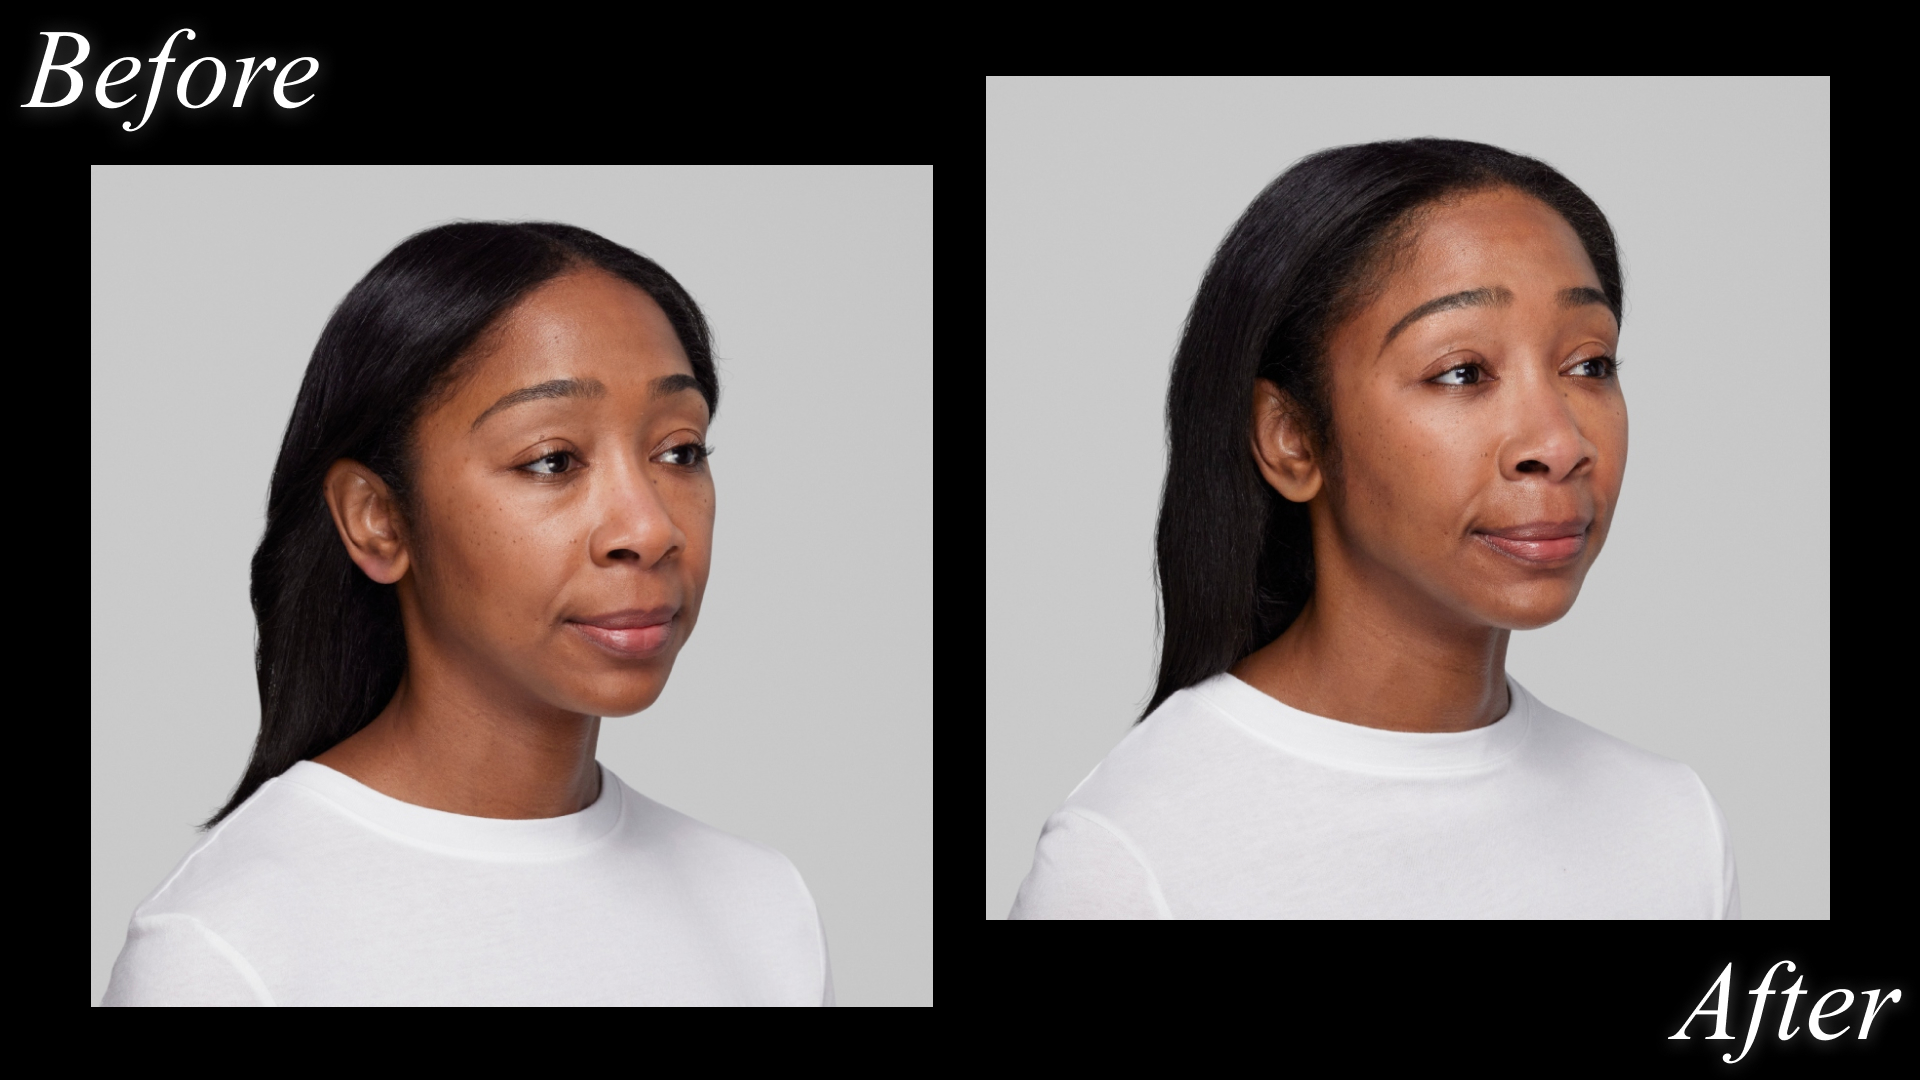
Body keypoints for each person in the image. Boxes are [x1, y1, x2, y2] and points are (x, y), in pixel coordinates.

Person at [104, 222, 834, 1002]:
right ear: (378, 519)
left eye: (679, 451)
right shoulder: (228, 950)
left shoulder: (761, 909)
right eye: (553, 460)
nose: (649, 530)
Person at [1010, 139, 1740, 919]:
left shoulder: (1670, 827)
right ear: (1292, 438)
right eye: (1462, 372)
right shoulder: (1133, 861)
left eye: (1590, 364)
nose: (1558, 444)